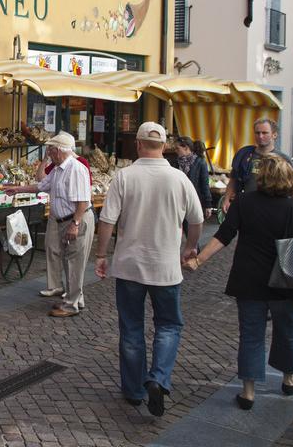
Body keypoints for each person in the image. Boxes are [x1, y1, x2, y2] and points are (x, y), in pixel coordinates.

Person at [185, 154, 293, 409]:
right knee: (287, 332)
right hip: (286, 281)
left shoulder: (244, 201)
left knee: (251, 335)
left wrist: (198, 261)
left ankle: (248, 391)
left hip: (249, 280)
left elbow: (224, 236)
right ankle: (289, 378)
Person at [92, 122, 203, 416]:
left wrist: (101, 254)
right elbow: (197, 219)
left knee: (131, 328)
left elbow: (107, 220)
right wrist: (190, 248)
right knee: (168, 325)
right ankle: (158, 378)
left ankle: (134, 390)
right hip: (166, 267)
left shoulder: (125, 176)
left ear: (138, 145)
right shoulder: (179, 178)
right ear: (163, 146)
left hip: (129, 266)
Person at [4, 132, 93, 317]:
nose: (49, 154)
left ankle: (71, 306)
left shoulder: (75, 169)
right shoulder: (58, 169)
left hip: (76, 219)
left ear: (60, 151)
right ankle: (76, 300)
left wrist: (75, 224)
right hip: (64, 220)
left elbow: (83, 202)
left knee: (74, 263)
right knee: (69, 262)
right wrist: (17, 189)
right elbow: (41, 185)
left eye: (50, 150)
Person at [222, 118, 293, 212]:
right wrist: (226, 199)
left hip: (275, 210)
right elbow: (233, 180)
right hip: (248, 208)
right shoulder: (244, 155)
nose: (260, 136)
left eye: (265, 133)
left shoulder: (284, 160)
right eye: (257, 133)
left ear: (274, 135)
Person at [175, 136, 212, 221]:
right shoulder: (175, 162)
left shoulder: (200, 162)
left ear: (186, 148)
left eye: (177, 148)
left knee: (191, 229)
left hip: (194, 200)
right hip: (178, 200)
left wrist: (208, 205)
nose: (175, 151)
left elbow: (205, 184)